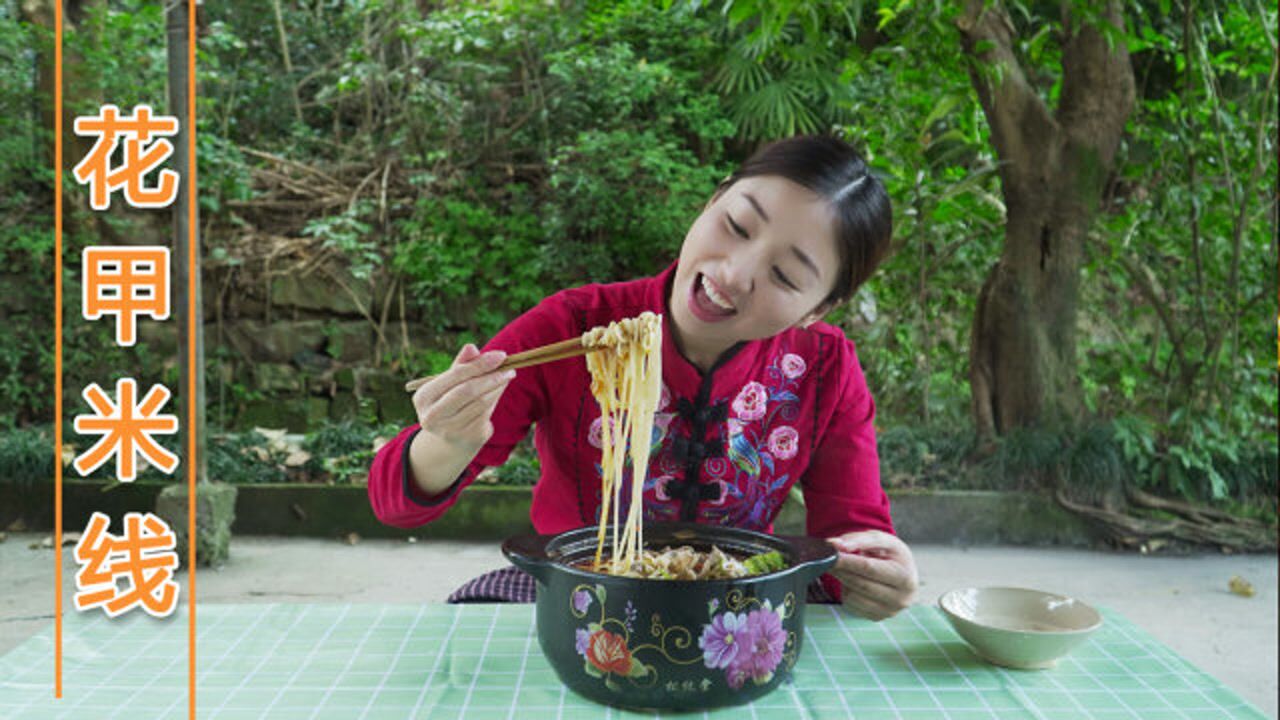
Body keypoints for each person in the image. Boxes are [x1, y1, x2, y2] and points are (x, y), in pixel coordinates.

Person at [368, 134, 918, 620]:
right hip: (576, 594)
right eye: (736, 225)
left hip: (736, 606)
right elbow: (396, 503)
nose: (734, 273)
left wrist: (877, 574)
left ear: (816, 309)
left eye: (784, 275)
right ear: (710, 202)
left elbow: (851, 538)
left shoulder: (824, 367)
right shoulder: (577, 327)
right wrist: (446, 442)